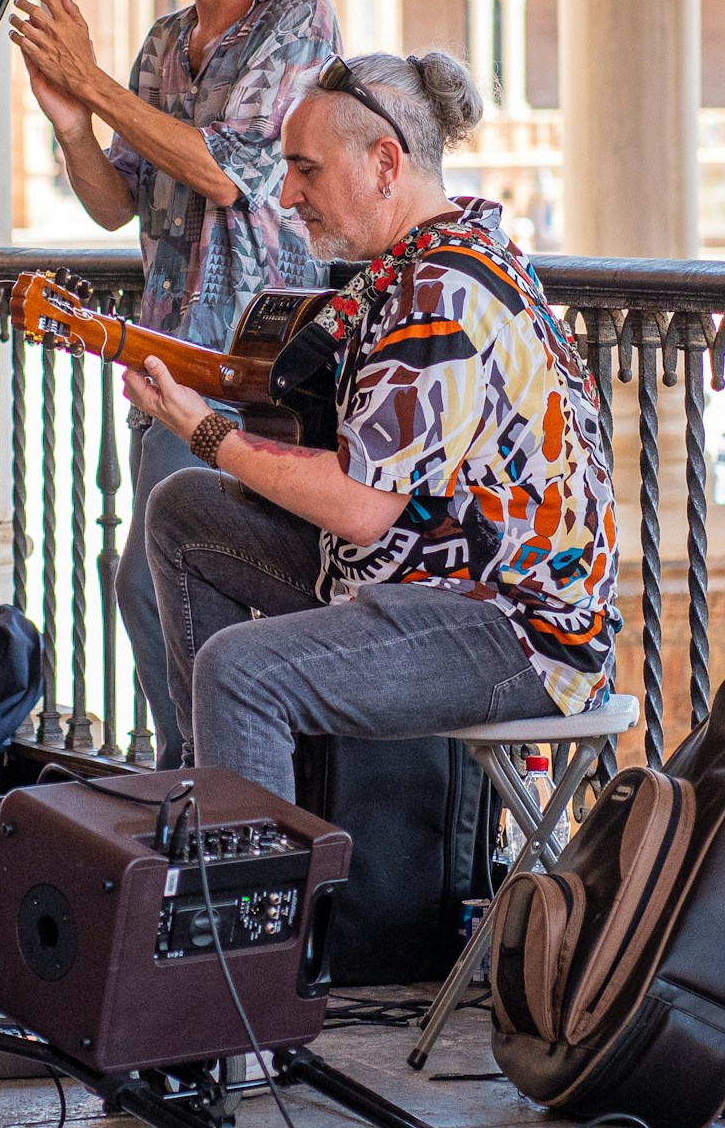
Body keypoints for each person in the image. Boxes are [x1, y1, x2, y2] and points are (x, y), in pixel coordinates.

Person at [125, 50, 621, 802]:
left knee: (240, 669)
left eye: (307, 169)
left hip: (513, 628)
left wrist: (204, 430)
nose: (286, 194)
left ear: (386, 163)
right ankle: (227, 795)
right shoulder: (419, 263)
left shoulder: (441, 290)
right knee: (183, 512)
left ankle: (248, 899)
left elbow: (359, 508)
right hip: (425, 575)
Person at [10, 0, 342, 767]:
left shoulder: (299, 21)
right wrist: (75, 122)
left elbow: (228, 173)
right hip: (165, 365)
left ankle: (210, 792)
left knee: (155, 586)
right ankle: (203, 785)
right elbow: (118, 201)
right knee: (159, 587)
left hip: (258, 373)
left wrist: (95, 82)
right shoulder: (163, 44)